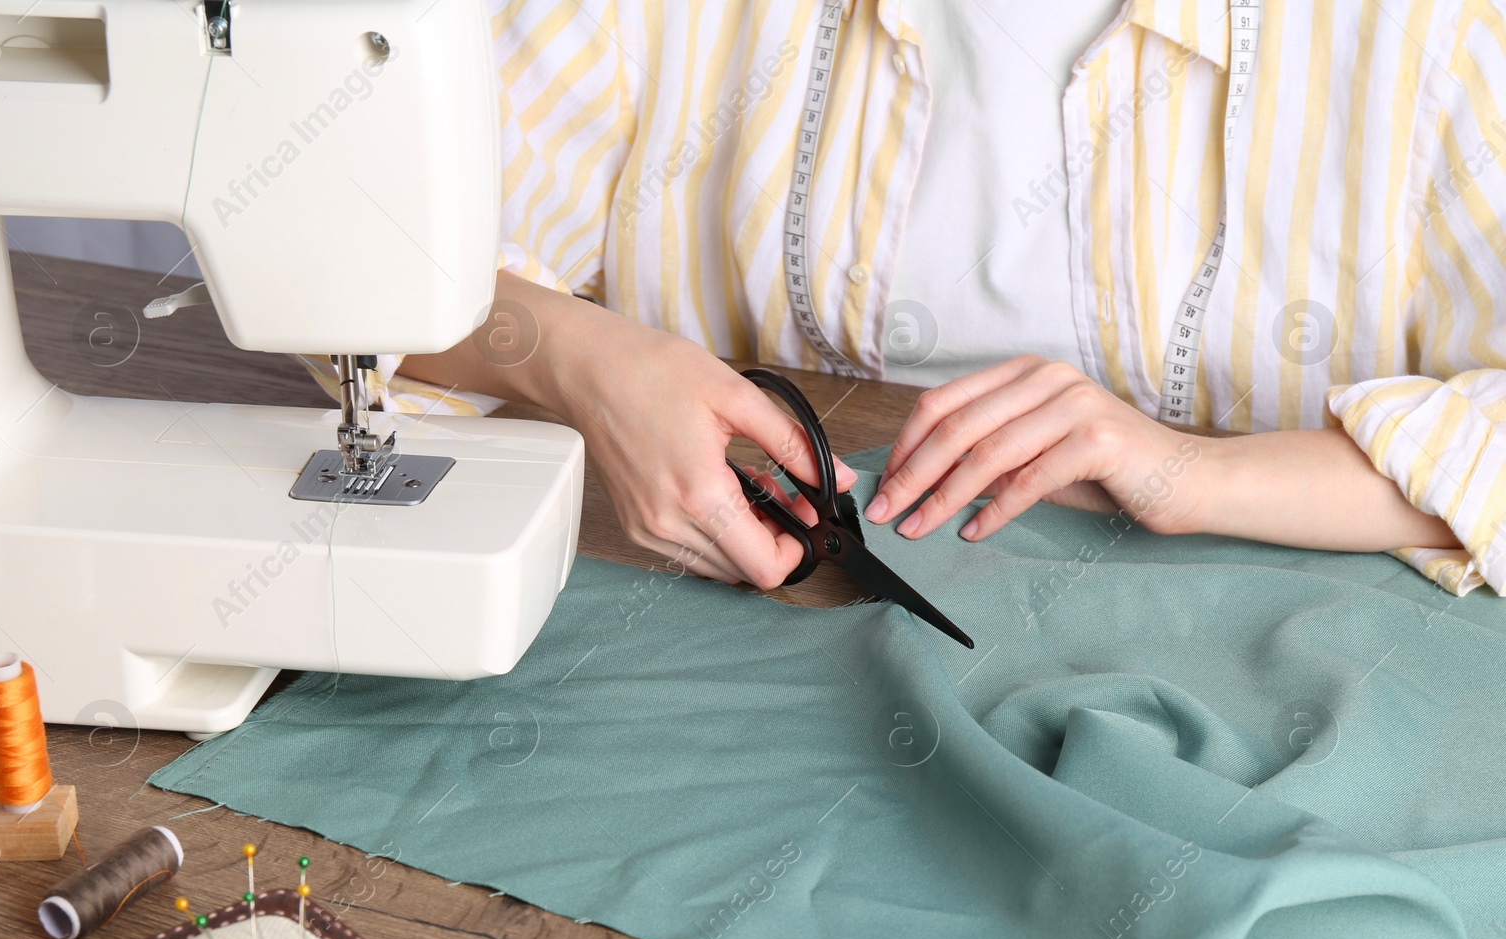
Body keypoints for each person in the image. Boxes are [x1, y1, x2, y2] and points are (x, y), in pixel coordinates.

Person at [310, 0, 1506, 596]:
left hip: (1281, 643)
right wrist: (578, 358)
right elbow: (358, 246)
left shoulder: (1426, 38)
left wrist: (1191, 474)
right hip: (748, 645)